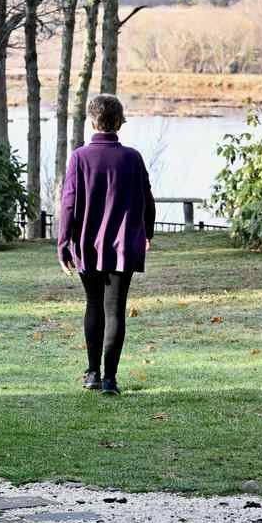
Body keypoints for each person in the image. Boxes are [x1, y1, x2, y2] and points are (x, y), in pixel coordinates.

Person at [57, 92, 155, 396]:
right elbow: (147, 200)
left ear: (91, 121)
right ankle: (110, 379)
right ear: (119, 123)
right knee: (115, 310)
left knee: (93, 305)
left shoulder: (79, 157)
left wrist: (63, 243)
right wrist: (147, 233)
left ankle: (92, 374)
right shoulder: (132, 157)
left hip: (88, 245)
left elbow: (69, 203)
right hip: (123, 246)